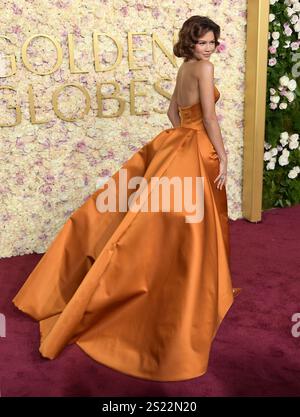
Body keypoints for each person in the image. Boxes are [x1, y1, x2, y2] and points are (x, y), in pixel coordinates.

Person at [12, 15, 241, 382]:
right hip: (197, 149)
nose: (209, 48)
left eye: (213, 42)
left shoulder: (185, 69)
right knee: (193, 225)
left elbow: (172, 112)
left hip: (175, 144)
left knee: (156, 220)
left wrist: (181, 136)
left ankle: (172, 282)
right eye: (202, 43)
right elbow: (211, 117)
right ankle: (190, 291)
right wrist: (224, 155)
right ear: (192, 43)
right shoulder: (204, 69)